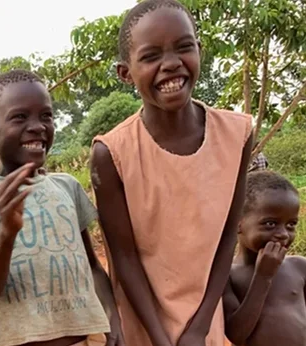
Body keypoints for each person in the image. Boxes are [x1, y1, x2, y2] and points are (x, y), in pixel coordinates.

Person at [90, 1, 253, 345]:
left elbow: (227, 237)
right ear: (125, 73)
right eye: (150, 57)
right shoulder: (111, 153)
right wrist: (162, 340)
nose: (171, 64)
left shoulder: (237, 134)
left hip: (205, 325)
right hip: (142, 326)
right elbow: (125, 257)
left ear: (199, 50)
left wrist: (199, 326)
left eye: (184, 47)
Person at [0, 69, 122, 346]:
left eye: (46, 116)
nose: (38, 126)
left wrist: (114, 320)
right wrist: (7, 233)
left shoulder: (67, 186)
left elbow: (93, 266)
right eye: (20, 117)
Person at [223, 171, 306, 346]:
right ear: (238, 222)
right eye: (270, 223)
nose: (283, 234)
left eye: (291, 224)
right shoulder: (227, 276)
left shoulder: (300, 267)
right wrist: (263, 277)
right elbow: (236, 335)